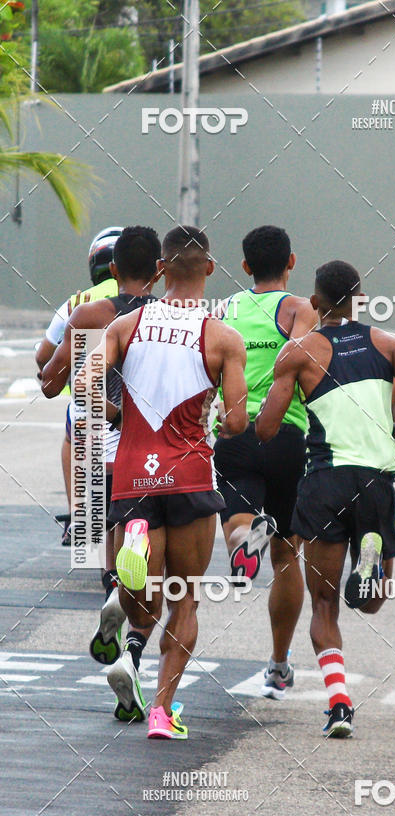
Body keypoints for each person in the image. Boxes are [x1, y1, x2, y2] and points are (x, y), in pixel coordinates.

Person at [74, 226, 248, 739]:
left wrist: (116, 413)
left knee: (140, 595)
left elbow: (83, 386)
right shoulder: (222, 337)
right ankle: (162, 711)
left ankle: (130, 561)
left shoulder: (125, 325)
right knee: (185, 598)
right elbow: (237, 421)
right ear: (210, 270)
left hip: (133, 476)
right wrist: (216, 417)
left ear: (160, 270)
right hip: (191, 476)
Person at [256, 260, 395, 737]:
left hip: (325, 481)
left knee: (324, 604)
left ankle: (339, 705)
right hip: (375, 481)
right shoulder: (389, 344)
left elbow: (267, 427)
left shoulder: (299, 353)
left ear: (315, 304)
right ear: (361, 299)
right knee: (372, 603)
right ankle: (370, 557)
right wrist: (393, 432)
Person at [41, 226, 162, 682]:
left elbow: (50, 381)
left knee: (108, 539)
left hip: (95, 451)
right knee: (154, 562)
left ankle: (113, 591)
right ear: (159, 270)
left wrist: (84, 388)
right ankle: (132, 646)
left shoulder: (89, 313)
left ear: (113, 270)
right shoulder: (173, 318)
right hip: (149, 456)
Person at [214, 225, 318, 700]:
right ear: (291, 262)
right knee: (286, 556)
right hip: (286, 434)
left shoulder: (226, 310)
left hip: (234, 432)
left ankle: (242, 540)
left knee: (237, 517)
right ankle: (278, 664)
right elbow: (302, 359)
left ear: (245, 267)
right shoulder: (299, 308)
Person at [36, 226, 122, 545]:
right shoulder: (144, 301)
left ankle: (78, 515)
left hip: (90, 408)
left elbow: (44, 357)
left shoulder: (78, 303)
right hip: (136, 408)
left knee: (73, 433)